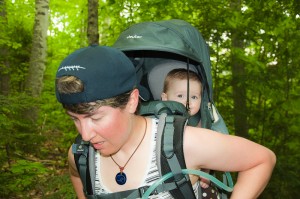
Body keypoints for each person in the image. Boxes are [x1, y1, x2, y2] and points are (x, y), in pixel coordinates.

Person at [55, 45, 276, 199]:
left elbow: (261, 160)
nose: (85, 135)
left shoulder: (180, 144)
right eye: (75, 119)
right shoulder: (80, 156)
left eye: (95, 117)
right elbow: (76, 173)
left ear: (132, 102)